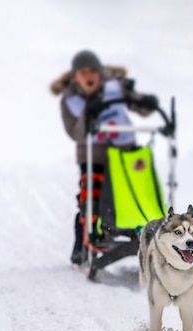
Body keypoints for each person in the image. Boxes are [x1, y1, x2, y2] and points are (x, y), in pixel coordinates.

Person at [50, 50, 160, 265]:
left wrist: (147, 103)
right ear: (75, 77)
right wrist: (88, 113)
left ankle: (139, 231)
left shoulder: (114, 87)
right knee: (91, 199)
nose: (88, 76)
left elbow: (135, 102)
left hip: (125, 152)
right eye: (83, 73)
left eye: (92, 71)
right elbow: (75, 133)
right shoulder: (70, 100)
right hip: (94, 156)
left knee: (134, 193)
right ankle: (84, 244)